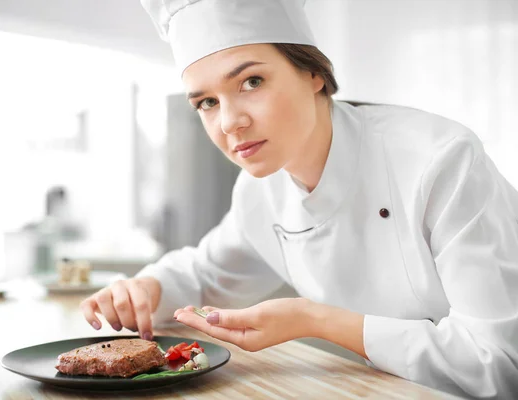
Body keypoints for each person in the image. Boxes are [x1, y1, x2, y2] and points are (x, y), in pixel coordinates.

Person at [80, 1, 518, 397]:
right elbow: (207, 273)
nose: (231, 122)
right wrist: (144, 289)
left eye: (252, 81)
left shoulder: (442, 161)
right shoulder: (260, 190)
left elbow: (498, 366)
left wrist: (315, 320)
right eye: (207, 102)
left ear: (313, 73)